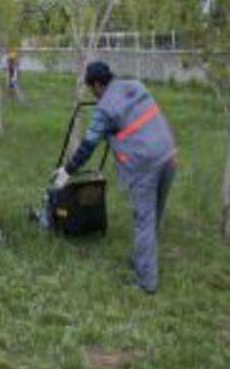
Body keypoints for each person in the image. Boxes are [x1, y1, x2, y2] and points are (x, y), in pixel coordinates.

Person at [51, 61, 176, 295]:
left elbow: (88, 145)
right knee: (154, 216)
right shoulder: (135, 85)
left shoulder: (105, 108)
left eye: (91, 89)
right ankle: (142, 259)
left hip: (144, 164)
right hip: (168, 155)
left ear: (97, 85)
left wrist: (67, 171)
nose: (93, 95)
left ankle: (146, 283)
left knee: (144, 220)